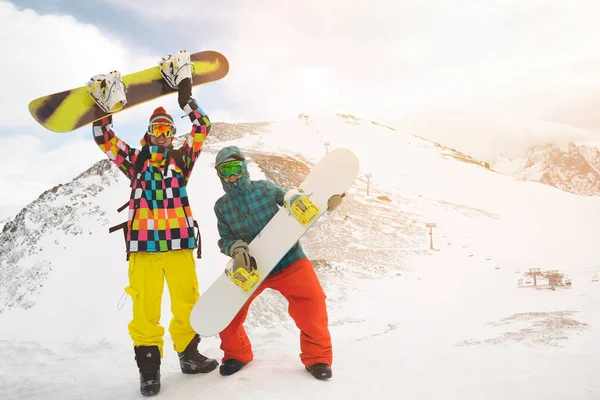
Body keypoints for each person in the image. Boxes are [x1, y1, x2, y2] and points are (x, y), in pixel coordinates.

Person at [89, 51, 218, 396]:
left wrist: (186, 98)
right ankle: (149, 371)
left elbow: (203, 127)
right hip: (144, 249)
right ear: (148, 133)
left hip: (179, 247)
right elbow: (105, 138)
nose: (162, 133)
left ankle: (189, 356)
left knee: (187, 303)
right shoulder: (135, 162)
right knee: (145, 310)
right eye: (156, 129)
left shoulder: (182, 160)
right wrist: (106, 110)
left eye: (167, 129)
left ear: (173, 133)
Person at [212, 145, 344, 380]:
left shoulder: (263, 188)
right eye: (225, 170)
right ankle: (236, 354)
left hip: (289, 260)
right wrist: (236, 249)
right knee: (228, 309)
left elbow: (294, 201)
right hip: (252, 268)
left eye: (236, 168)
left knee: (313, 304)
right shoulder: (221, 206)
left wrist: (325, 205)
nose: (232, 175)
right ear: (219, 174)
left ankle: (318, 359)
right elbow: (225, 239)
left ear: (244, 167)